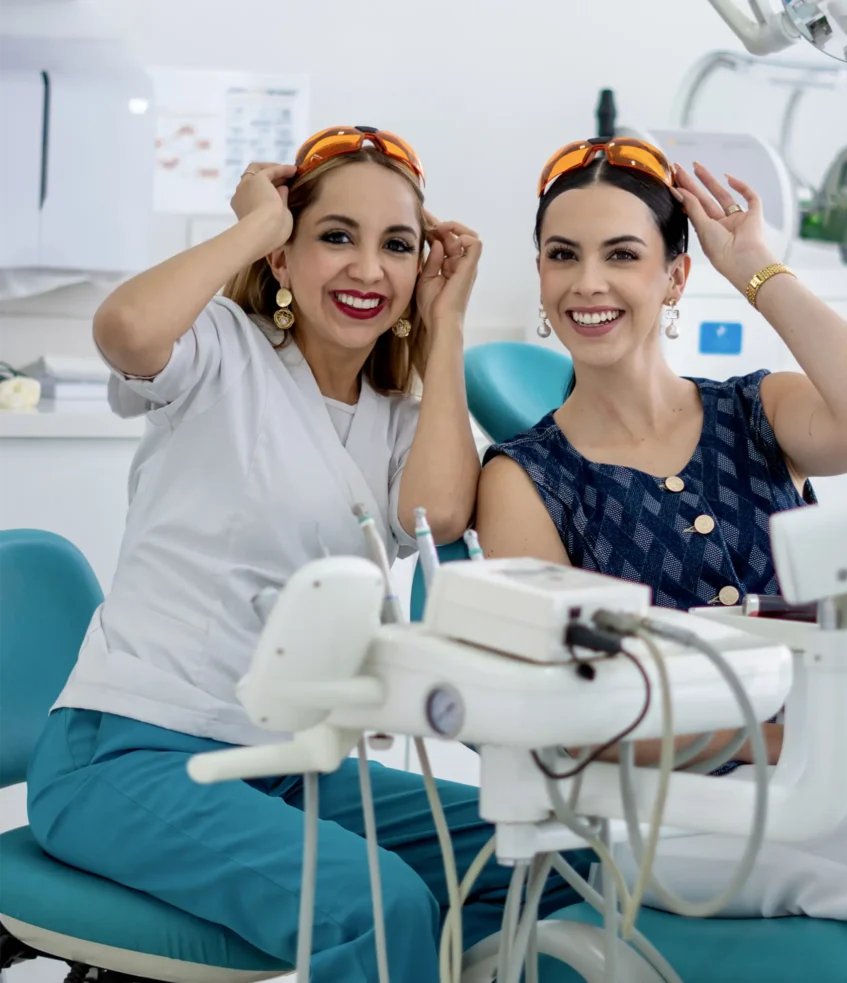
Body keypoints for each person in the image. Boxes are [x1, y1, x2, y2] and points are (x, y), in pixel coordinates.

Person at [26, 126, 584, 983]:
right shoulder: (220, 349)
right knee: (380, 905)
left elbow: (436, 515)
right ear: (284, 257)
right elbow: (125, 329)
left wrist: (446, 325)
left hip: (285, 766)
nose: (368, 269)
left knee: (547, 857)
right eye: (335, 236)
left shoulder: (397, 415)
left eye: (396, 245)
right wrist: (256, 224)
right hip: (126, 757)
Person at [475, 136, 847, 983]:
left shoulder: (754, 412)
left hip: (840, 763)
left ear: (675, 277)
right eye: (563, 255)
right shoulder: (525, 478)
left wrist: (754, 268)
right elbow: (576, 715)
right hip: (676, 809)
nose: (588, 282)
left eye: (622, 255)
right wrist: (797, 744)